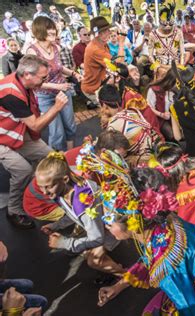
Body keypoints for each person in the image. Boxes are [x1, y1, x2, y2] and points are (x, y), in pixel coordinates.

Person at [86, 155, 195, 315]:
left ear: (134, 223)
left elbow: (189, 307)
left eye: (109, 219)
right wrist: (118, 286)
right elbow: (149, 258)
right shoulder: (165, 223)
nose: (106, 225)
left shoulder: (166, 264)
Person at [0, 55, 68, 229]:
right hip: (3, 138)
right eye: (43, 77)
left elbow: (40, 84)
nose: (45, 81)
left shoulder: (23, 80)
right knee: (23, 170)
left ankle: (50, 191)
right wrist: (57, 107)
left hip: (16, 131)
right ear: (28, 75)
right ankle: (14, 210)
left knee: (51, 157)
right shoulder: (11, 93)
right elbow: (36, 126)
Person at [36, 151, 126, 276]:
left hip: (111, 228)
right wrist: (55, 226)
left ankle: (124, 275)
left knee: (93, 260)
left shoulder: (82, 203)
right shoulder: (61, 190)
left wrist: (64, 243)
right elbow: (72, 213)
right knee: (78, 247)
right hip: (97, 223)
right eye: (41, 187)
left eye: (48, 187)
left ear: (65, 180)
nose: (44, 192)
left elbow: (97, 239)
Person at [23, 130, 131, 222]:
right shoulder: (83, 170)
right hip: (41, 206)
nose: (121, 162)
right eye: (119, 157)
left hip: (47, 193)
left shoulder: (91, 153)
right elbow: (88, 199)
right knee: (89, 217)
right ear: (104, 152)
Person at [26, 16, 79, 152]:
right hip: (46, 97)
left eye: (53, 28)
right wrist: (57, 86)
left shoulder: (55, 47)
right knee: (57, 133)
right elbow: (33, 82)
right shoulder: (32, 52)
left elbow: (60, 68)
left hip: (63, 92)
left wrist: (73, 74)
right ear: (39, 30)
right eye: (48, 28)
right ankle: (58, 162)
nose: (53, 31)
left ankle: (69, 155)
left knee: (70, 126)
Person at [81, 17, 116, 108]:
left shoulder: (103, 44)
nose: (110, 32)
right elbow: (116, 65)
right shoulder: (94, 49)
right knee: (110, 111)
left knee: (110, 111)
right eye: (107, 30)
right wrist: (121, 43)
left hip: (99, 84)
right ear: (101, 34)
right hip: (93, 88)